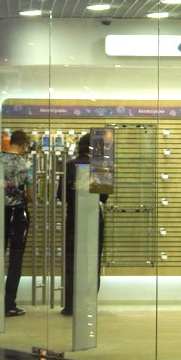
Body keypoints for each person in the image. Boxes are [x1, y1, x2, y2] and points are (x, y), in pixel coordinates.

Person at [57, 133, 107, 316]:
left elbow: (61, 195)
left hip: (74, 217)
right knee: (93, 260)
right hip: (93, 218)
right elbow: (104, 196)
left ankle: (70, 305)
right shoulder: (100, 166)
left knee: (72, 260)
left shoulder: (69, 165)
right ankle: (89, 303)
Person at [0, 129, 33, 317]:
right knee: (15, 259)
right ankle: (9, 304)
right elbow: (30, 195)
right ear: (23, 144)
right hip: (18, 213)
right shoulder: (26, 163)